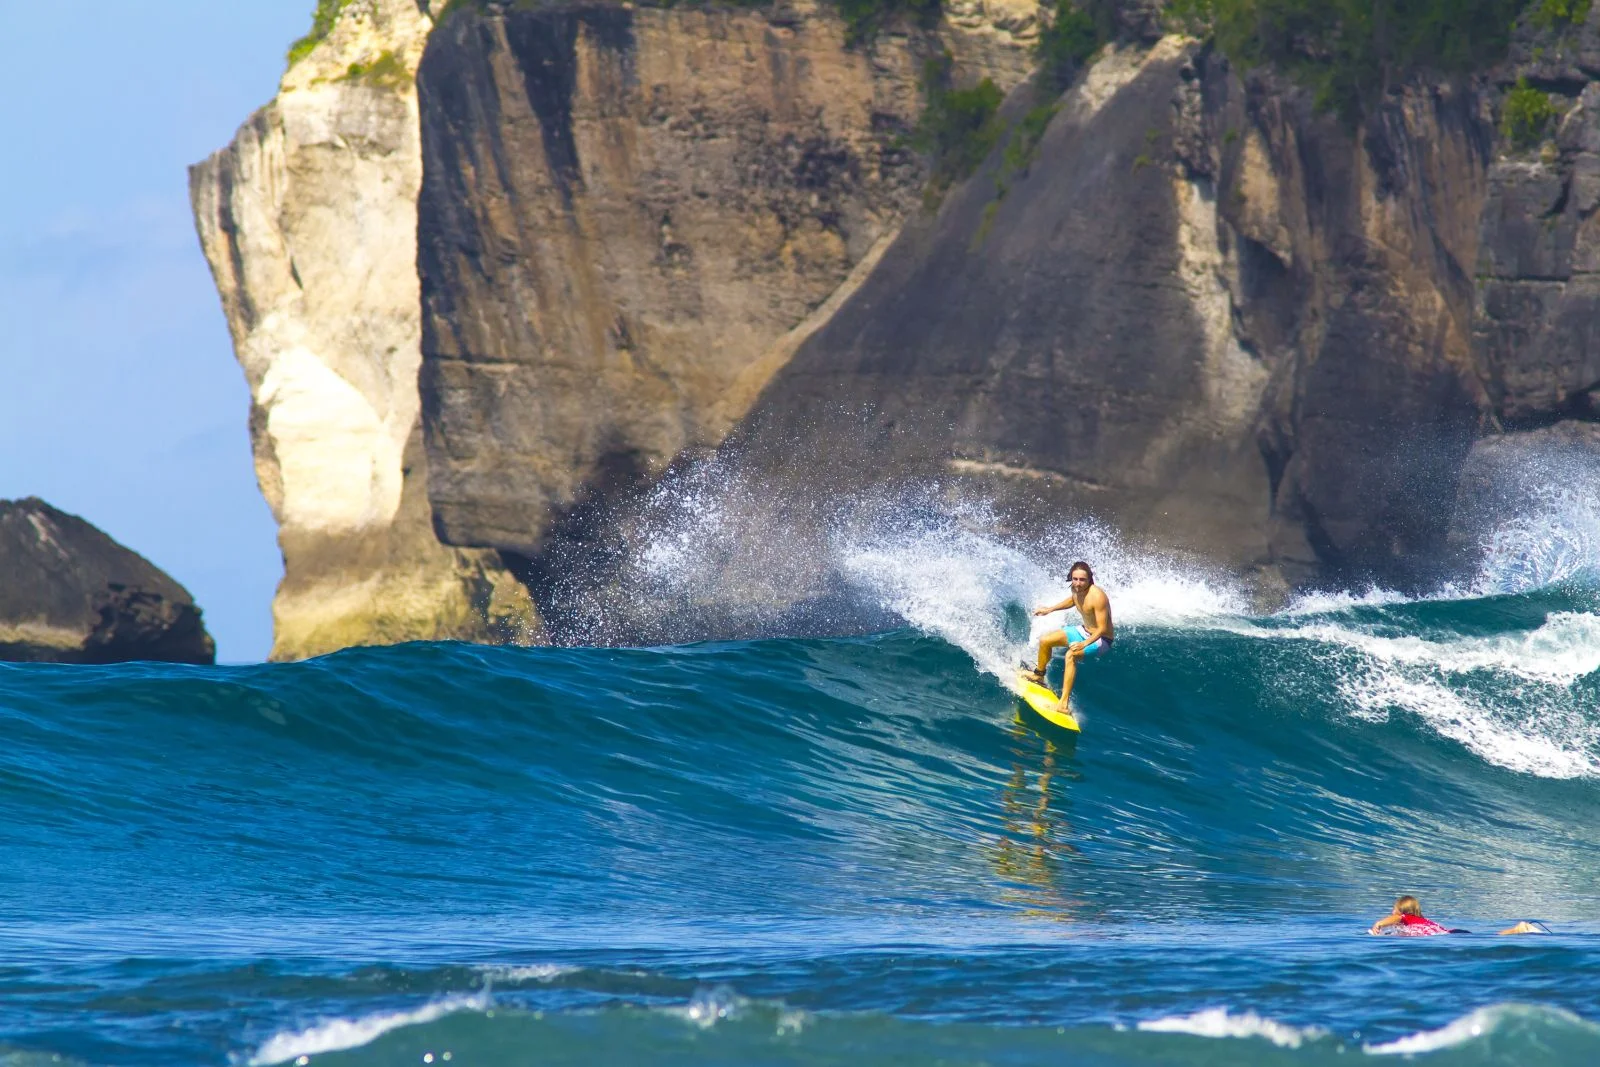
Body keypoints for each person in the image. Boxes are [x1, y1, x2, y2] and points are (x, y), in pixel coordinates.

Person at [1020, 561, 1113, 713]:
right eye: (1075, 579)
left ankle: (1063, 704)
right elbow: (1073, 600)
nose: (1078, 583)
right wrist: (1049, 609)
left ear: (1089, 579)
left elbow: (1102, 629)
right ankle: (1039, 675)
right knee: (1046, 640)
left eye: (1082, 580)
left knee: (1071, 655)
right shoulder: (1076, 589)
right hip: (1084, 631)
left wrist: (1084, 644)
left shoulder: (1098, 596)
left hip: (1101, 639)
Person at [1367, 895, 1549, 936]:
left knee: (1491, 939)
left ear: (1402, 910)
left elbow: (1397, 919)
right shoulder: (1419, 920)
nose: (1392, 912)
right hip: (1454, 932)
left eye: (1394, 909)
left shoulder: (1405, 918)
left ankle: (1519, 928)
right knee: (1490, 938)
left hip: (1452, 936)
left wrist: (1379, 924)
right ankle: (1518, 929)